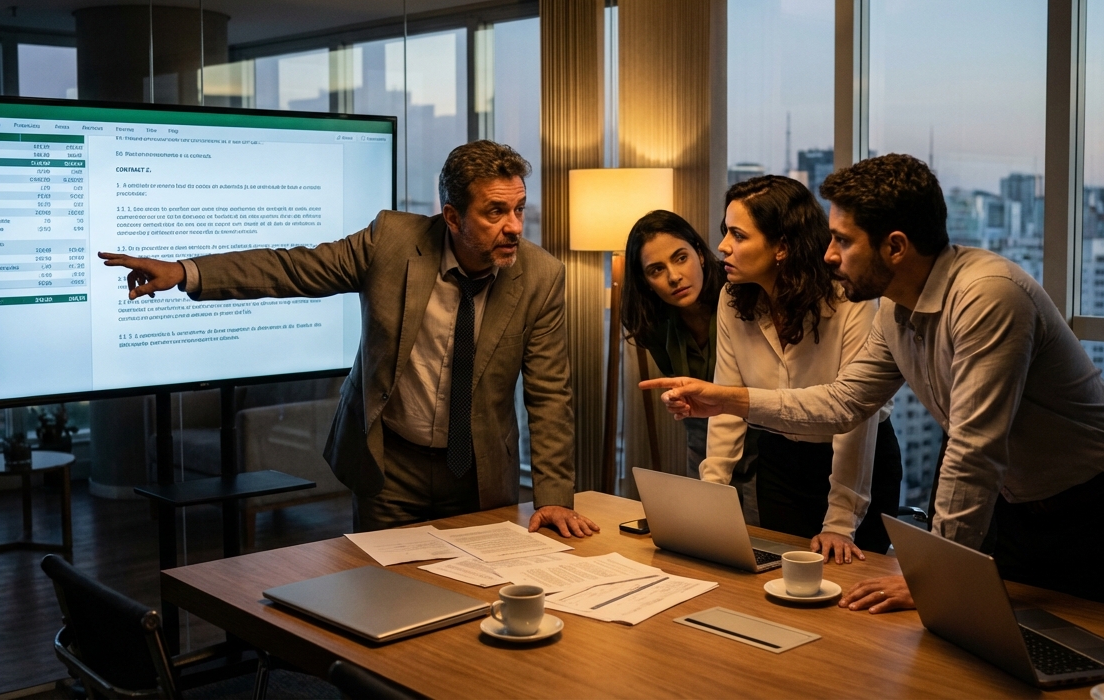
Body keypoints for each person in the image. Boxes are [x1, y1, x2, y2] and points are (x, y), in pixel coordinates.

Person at [643, 154, 1104, 616]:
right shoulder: (895, 313)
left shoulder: (988, 296)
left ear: (895, 247)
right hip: (1022, 514)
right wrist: (725, 399)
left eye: (842, 241)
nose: (828, 255)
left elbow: (973, 452)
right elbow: (843, 403)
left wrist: (931, 577)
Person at [100, 141, 598, 538]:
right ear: (451, 217)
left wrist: (553, 495)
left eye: (519, 210)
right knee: (382, 597)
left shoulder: (540, 276)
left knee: (473, 605)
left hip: (475, 471)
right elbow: (291, 268)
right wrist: (185, 271)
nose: (514, 227)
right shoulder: (391, 242)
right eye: (495, 212)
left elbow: (550, 394)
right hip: (390, 468)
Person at [711, 177, 900, 562]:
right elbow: (726, 403)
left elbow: (855, 418)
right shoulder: (731, 300)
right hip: (779, 459)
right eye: (725, 232)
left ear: (782, 246)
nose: (723, 246)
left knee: (850, 589)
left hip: (857, 459)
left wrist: (840, 521)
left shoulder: (848, 299)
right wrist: (709, 495)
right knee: (782, 575)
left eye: (738, 235)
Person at [620, 210, 760, 511]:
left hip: (763, 442)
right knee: (706, 533)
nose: (673, 276)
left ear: (699, 252)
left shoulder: (742, 298)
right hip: (701, 440)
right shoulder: (655, 324)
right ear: (645, 281)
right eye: (656, 270)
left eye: (680, 258)